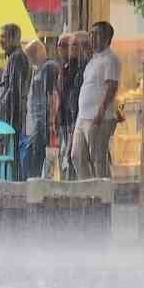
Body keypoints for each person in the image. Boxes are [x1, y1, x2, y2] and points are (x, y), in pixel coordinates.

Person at [72, 21, 121, 180]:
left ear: (107, 38)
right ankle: (88, 193)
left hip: (99, 117)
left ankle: (103, 196)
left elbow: (111, 87)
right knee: (77, 156)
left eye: (97, 34)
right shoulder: (93, 60)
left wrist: (100, 112)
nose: (92, 37)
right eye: (91, 34)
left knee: (98, 160)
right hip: (83, 116)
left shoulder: (110, 59)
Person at [0, 23, 32, 180]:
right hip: (11, 118)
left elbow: (14, 92)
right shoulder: (16, 57)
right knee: (12, 156)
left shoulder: (16, 58)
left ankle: (12, 187)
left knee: (11, 156)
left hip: (11, 119)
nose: (0, 40)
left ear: (14, 38)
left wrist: (9, 123)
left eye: (3, 36)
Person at [22, 39, 59, 181]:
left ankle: (40, 183)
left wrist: (51, 122)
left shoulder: (49, 67)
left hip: (42, 122)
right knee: (36, 156)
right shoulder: (38, 70)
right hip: (37, 122)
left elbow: (52, 94)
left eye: (31, 55)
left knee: (41, 156)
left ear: (38, 52)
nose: (29, 60)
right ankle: (38, 181)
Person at [55, 34, 85, 180]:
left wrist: (74, 118)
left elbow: (76, 93)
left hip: (75, 118)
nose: (59, 49)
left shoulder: (80, 67)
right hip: (65, 119)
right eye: (59, 45)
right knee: (65, 155)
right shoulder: (65, 68)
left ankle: (74, 183)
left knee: (73, 154)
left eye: (63, 45)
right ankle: (68, 181)